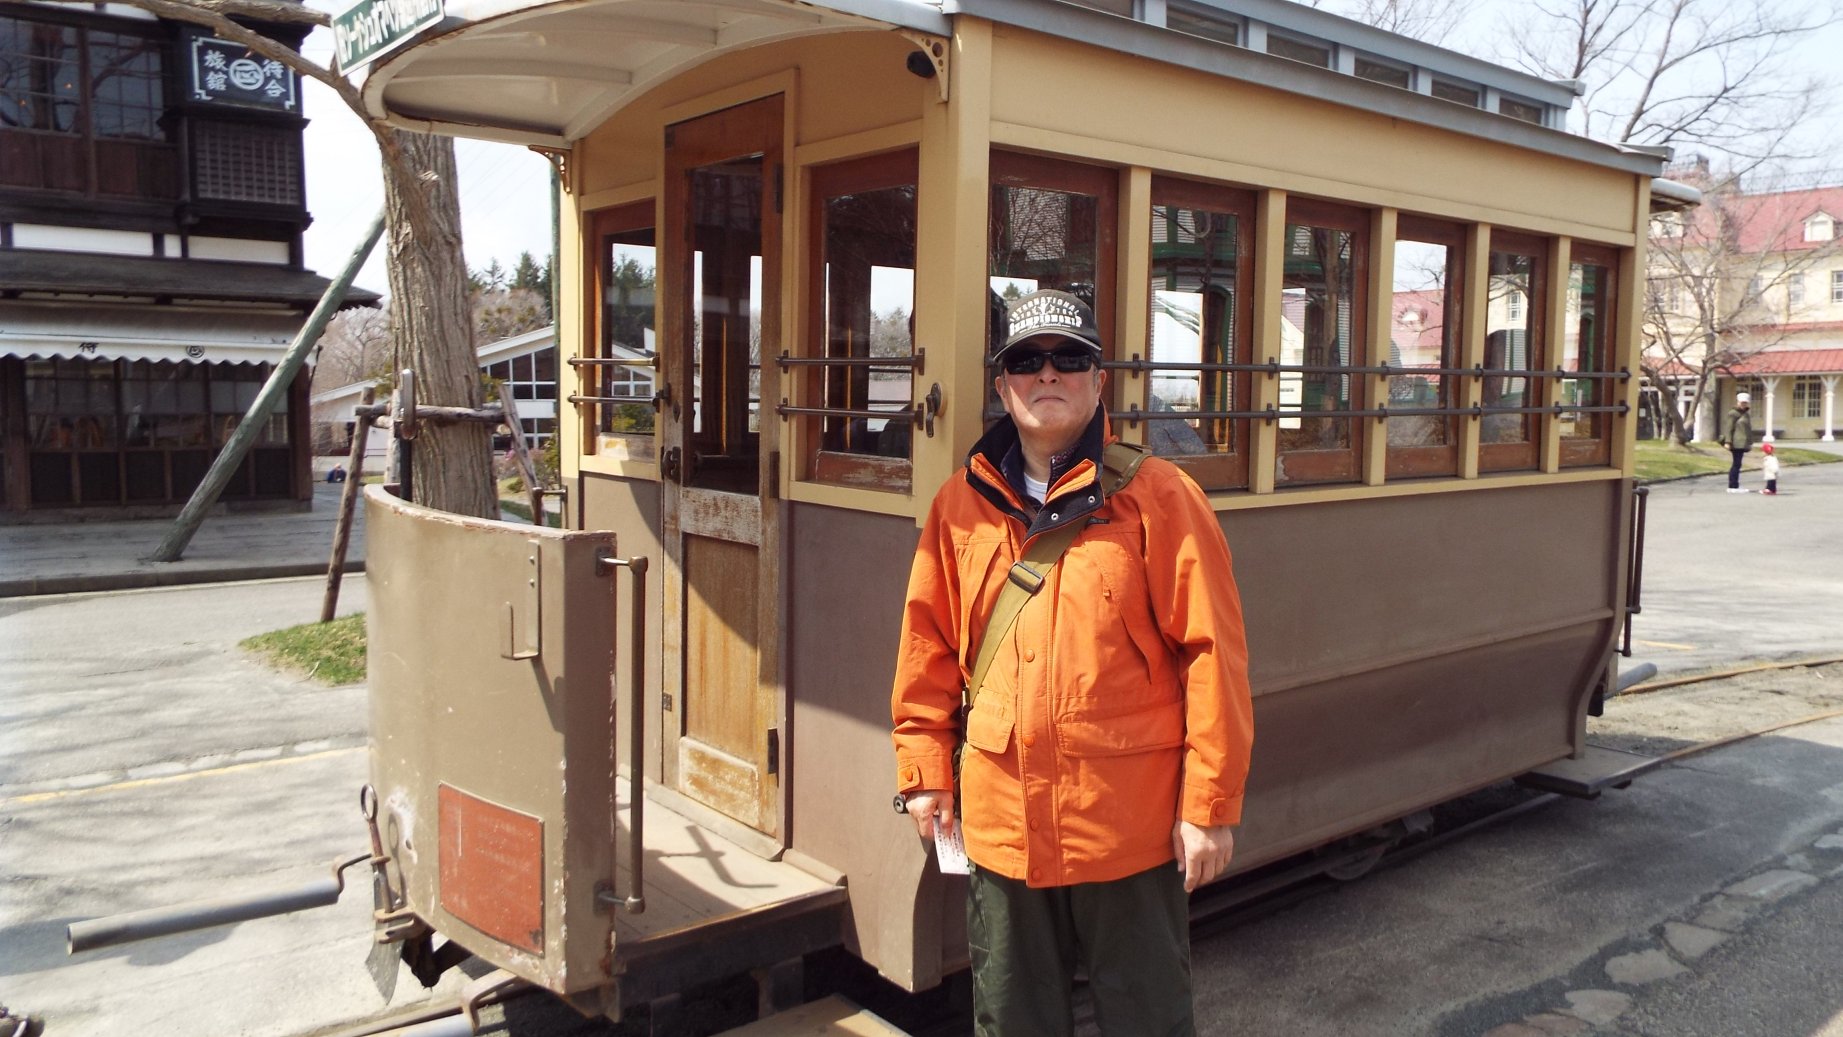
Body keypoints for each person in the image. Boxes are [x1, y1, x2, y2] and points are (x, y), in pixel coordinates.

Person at [890, 289, 1255, 1036]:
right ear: (1003, 386)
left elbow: (1212, 656)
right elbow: (927, 646)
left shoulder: (1160, 497)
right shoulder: (958, 505)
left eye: (1069, 358)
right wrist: (924, 773)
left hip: (1126, 829)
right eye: (1027, 361)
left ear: (1098, 381)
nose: (1047, 374)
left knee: (1147, 1021)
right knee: (1012, 1020)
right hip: (1002, 827)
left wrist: (1208, 809)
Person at [1719, 391, 1754, 493]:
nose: (1743, 404)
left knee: (1738, 464)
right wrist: (1728, 442)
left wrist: (1750, 442)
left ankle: (1735, 485)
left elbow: (1748, 429)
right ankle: (1733, 485)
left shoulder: (1746, 414)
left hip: (1743, 443)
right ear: (1738, 402)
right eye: (1742, 402)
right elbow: (1729, 428)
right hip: (1736, 443)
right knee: (1736, 464)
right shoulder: (1733, 413)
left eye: (1745, 403)